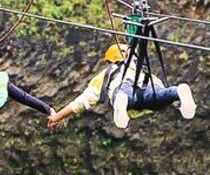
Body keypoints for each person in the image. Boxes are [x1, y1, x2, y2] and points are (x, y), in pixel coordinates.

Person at [48, 43, 196, 130]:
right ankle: (177, 91)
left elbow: (80, 103)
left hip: (126, 92)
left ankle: (121, 100)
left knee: (123, 91)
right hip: (148, 88)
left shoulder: (104, 76)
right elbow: (157, 83)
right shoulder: (140, 68)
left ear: (109, 62)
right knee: (161, 96)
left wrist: (57, 117)